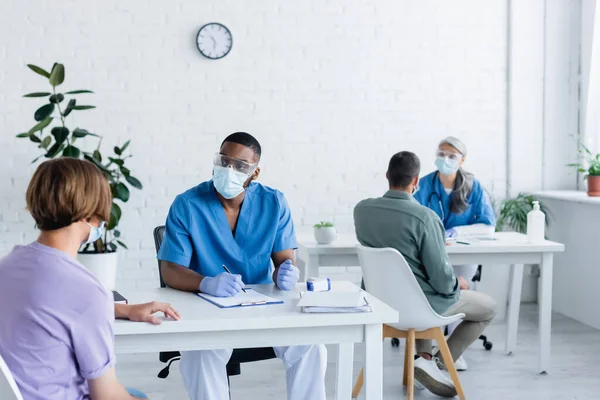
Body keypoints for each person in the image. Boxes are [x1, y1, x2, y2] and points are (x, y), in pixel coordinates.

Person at [158, 132, 327, 400]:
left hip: (263, 309)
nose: (229, 170)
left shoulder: (274, 202)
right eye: (223, 161)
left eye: (239, 166)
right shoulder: (187, 204)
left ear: (255, 172)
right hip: (206, 309)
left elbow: (284, 259)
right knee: (201, 354)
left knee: (310, 345)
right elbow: (170, 270)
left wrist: (285, 272)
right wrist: (205, 283)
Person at [0, 158, 180, 400]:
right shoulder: (85, 289)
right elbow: (107, 396)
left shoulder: (8, 266)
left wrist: (118, 309)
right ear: (91, 210)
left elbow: (45, 307)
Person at [354, 151, 497, 398]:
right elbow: (441, 280)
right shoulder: (425, 218)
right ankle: (434, 365)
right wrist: (458, 284)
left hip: (380, 305)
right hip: (419, 308)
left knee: (422, 294)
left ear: (387, 175)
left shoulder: (362, 211)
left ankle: (425, 359)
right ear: (416, 181)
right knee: (488, 308)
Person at [414, 137, 496, 369]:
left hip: (464, 253)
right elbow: (414, 218)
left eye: (452, 156)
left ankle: (448, 350)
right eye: (441, 154)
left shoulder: (472, 186)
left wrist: (457, 232)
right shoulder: (424, 184)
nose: (445, 159)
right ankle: (427, 354)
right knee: (433, 291)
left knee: (456, 292)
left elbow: (488, 226)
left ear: (462, 160)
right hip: (430, 252)